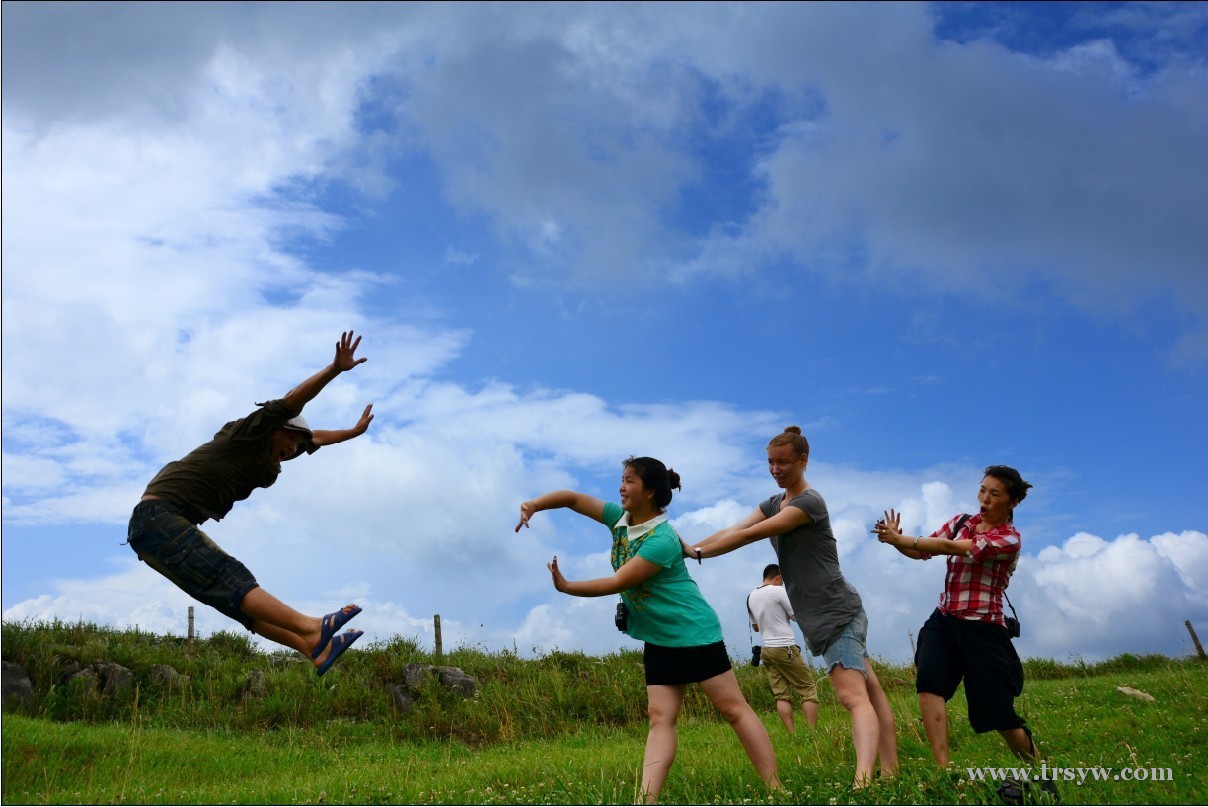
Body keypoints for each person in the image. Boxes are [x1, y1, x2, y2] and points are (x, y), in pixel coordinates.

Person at [516, 456, 780, 804]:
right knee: (659, 718)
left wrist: (567, 587)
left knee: (733, 709)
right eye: (621, 480)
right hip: (658, 636)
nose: (621, 488)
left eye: (629, 481)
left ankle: (777, 791)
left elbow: (619, 581)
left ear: (650, 491)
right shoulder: (620, 519)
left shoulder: (662, 539)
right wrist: (533, 505)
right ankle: (646, 799)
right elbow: (572, 499)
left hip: (693, 633)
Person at [126, 331, 374, 676]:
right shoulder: (247, 434)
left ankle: (313, 648)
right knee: (229, 575)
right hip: (158, 517)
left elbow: (315, 438)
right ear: (276, 428)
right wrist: (334, 369)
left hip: (153, 533)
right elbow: (291, 402)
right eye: (290, 439)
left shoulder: (274, 454)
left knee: (234, 600)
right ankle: (311, 627)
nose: (292, 450)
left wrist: (352, 432)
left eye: (297, 447)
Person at [691, 427, 898, 787]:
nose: (776, 468)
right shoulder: (774, 503)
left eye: (784, 462)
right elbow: (735, 528)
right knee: (871, 692)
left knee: (853, 697)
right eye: (771, 462)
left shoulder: (809, 502)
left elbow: (750, 535)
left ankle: (864, 782)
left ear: (803, 461)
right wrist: (687, 548)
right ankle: (891, 771)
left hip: (837, 611)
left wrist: (696, 553)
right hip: (820, 616)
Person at [872, 465, 1044, 769]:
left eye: (995, 494)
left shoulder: (1008, 539)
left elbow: (948, 547)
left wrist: (904, 539)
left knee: (998, 714)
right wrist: (899, 541)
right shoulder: (962, 521)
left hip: (984, 630)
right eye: (982, 490)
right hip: (945, 621)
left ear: (1012, 502)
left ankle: (1039, 768)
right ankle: (943, 768)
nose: (985, 499)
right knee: (929, 681)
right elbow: (922, 552)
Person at [748, 563, 820, 732]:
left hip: (767, 651)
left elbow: (756, 627)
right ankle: (812, 732)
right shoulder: (779, 591)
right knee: (807, 689)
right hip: (785, 647)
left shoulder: (750, 596)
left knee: (781, 694)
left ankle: (791, 733)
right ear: (778, 577)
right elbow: (796, 616)